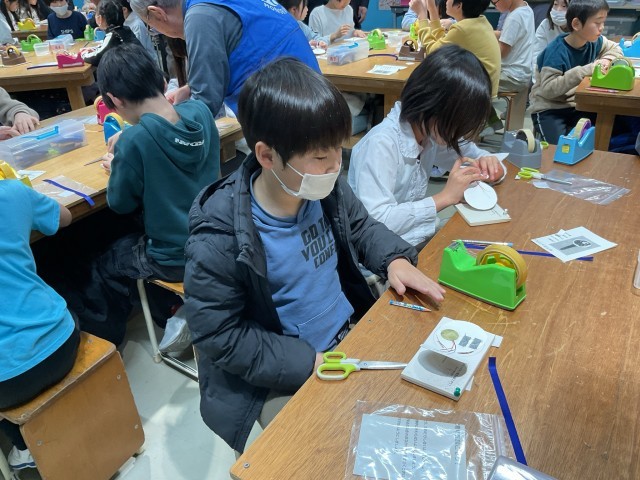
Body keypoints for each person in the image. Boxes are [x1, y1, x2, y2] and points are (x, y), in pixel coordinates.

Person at [183, 57, 446, 453]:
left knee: (419, 407)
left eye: (338, 150)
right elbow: (219, 334)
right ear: (267, 156)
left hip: (346, 334)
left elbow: (360, 226)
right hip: (283, 368)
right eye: (321, 158)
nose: (336, 165)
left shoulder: (321, 188)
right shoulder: (220, 234)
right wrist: (307, 363)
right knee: (326, 451)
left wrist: (394, 259)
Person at [68, 44, 220, 346]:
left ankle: (172, 313)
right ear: (162, 82)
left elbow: (120, 204)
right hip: (216, 240)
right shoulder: (201, 112)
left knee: (106, 258)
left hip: (175, 257)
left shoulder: (134, 142)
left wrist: (119, 164)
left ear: (114, 100)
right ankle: (179, 307)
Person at [348, 45, 505, 248]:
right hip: (378, 254)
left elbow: (473, 154)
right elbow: (377, 221)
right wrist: (445, 198)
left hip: (412, 240)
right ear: (432, 104)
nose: (458, 135)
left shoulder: (430, 131)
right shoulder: (381, 145)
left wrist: (490, 163)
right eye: (456, 125)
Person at [0, 179, 79, 473]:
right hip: (61, 341)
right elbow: (64, 217)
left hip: (8, 383)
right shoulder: (12, 191)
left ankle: (24, 447)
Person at [128, 0, 319, 118]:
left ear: (157, 13)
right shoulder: (210, 6)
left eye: (151, 27)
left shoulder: (199, 16)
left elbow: (204, 106)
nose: (156, 31)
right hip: (314, 96)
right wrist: (190, 88)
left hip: (292, 115)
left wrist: (157, 122)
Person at [529, 0, 622, 144]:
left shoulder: (593, 41)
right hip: (550, 109)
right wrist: (586, 70)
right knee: (561, 147)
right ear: (577, 24)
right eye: (597, 23)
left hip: (577, 105)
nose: (602, 27)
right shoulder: (556, 52)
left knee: (607, 131)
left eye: (603, 22)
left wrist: (606, 59)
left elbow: (615, 48)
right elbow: (548, 90)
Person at [410, 0, 501, 97]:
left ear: (458, 5)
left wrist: (422, 15)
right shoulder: (480, 21)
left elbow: (433, 52)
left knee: (421, 88)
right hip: (483, 89)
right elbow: (442, 44)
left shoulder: (463, 29)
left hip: (475, 96)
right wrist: (431, 8)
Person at [81, 0, 144, 66]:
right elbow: (106, 47)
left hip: (127, 69)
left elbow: (97, 57)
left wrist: (83, 54)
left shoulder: (112, 35)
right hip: (140, 66)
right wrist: (95, 49)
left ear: (100, 19)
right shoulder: (126, 29)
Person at [493, 0, 535, 95]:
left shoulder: (514, 18)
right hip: (522, 75)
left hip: (511, 77)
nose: (495, 6)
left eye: (495, 2)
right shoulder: (526, 9)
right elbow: (510, 34)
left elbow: (502, 52)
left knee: (475, 82)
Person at [278, 0, 347, 46]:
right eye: (304, 6)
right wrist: (307, 46)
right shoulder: (281, 27)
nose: (307, 9)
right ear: (294, 9)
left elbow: (315, 37)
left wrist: (319, 43)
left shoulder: (300, 25)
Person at [533, 0, 570, 67]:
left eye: (564, 6)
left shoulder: (581, 29)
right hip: (548, 70)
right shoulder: (545, 25)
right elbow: (537, 56)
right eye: (555, 4)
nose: (558, 10)